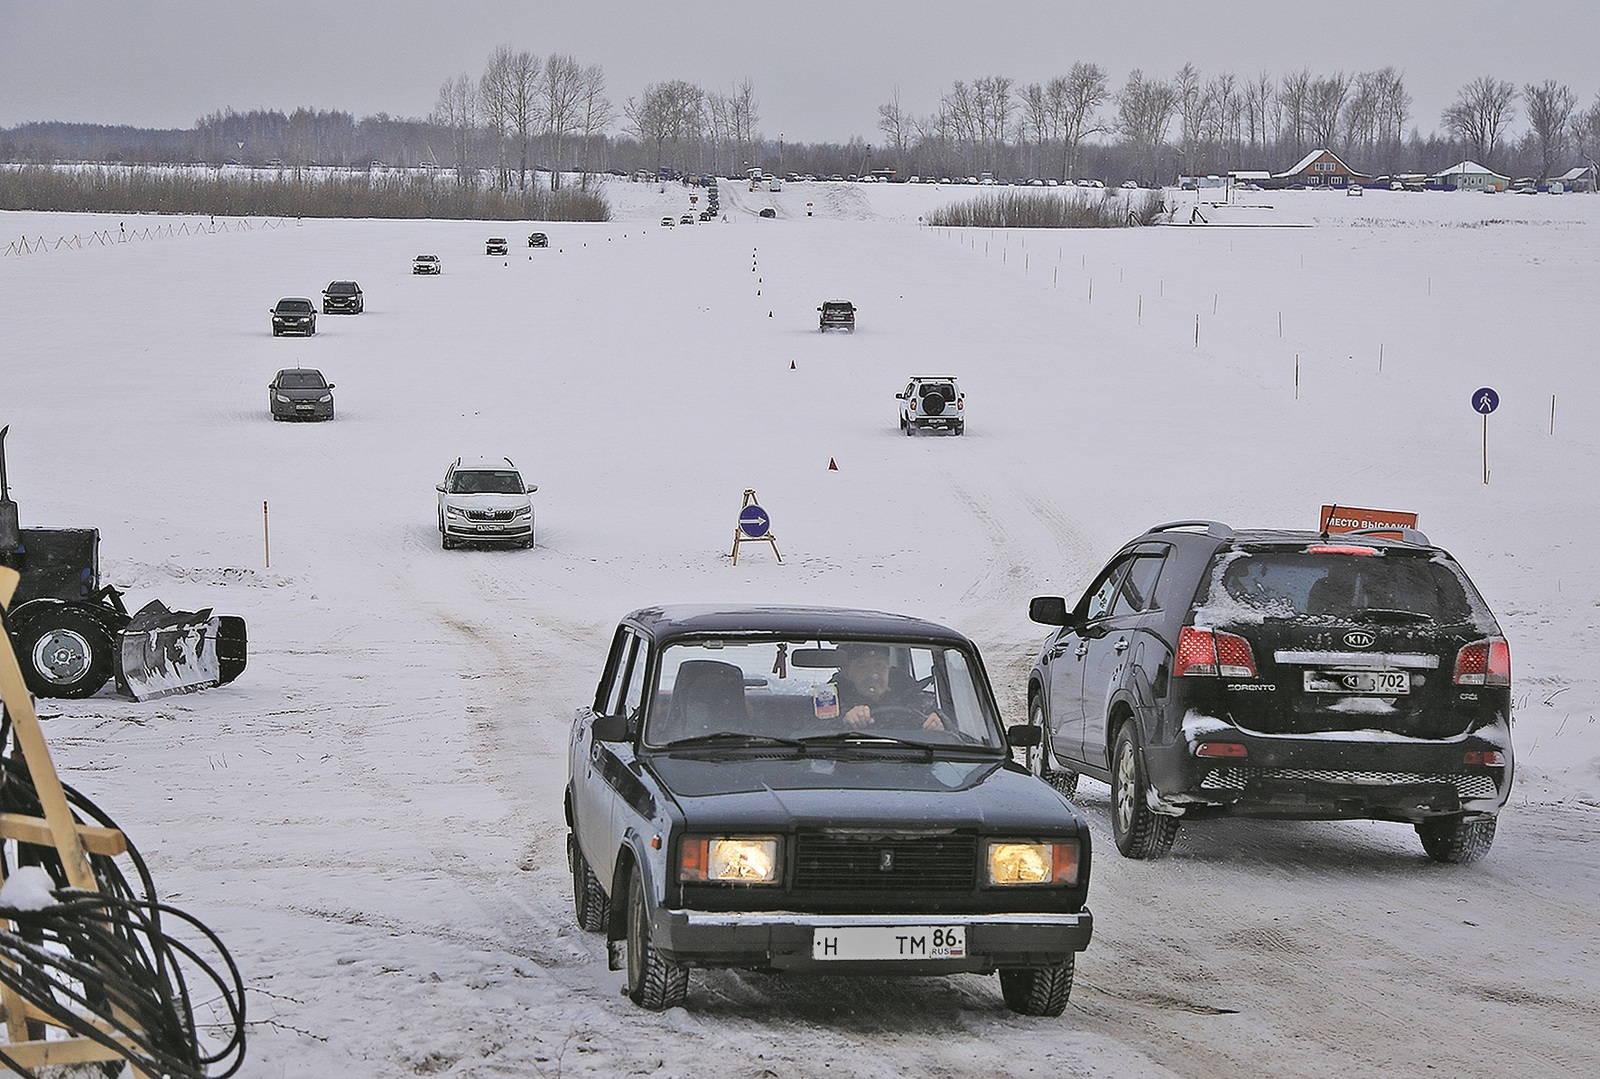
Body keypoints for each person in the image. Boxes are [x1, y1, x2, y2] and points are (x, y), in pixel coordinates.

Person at [829, 643, 944, 731]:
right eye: (862, 667)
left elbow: (953, 730)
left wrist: (938, 723)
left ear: (888, 667)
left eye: (879, 665)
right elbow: (816, 730)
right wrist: (844, 720)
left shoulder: (913, 696)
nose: (873, 674)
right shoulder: (830, 702)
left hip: (910, 758)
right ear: (847, 673)